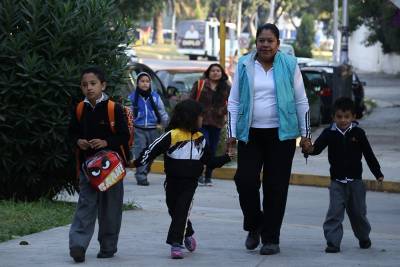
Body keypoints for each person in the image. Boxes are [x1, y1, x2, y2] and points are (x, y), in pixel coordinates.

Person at [226, 23, 311, 255]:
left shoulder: (290, 65)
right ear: (256, 42)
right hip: (250, 134)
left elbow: (301, 101)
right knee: (245, 180)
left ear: (278, 43)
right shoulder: (244, 64)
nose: (265, 45)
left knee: (276, 187)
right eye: (261, 40)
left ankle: (271, 238)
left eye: (270, 41)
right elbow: (233, 101)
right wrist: (231, 133)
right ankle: (254, 226)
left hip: (281, 135)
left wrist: (306, 135)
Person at [133, 99, 232, 259]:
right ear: (190, 117)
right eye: (200, 116)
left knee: (181, 210)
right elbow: (152, 150)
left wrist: (226, 157)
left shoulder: (201, 138)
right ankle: (188, 232)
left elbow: (210, 161)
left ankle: (175, 243)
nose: (202, 120)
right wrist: (136, 163)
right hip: (172, 182)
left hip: (190, 183)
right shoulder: (172, 135)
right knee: (175, 210)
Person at [302, 97, 384, 253]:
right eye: (339, 117)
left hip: (356, 183)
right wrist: (308, 149)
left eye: (347, 117)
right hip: (337, 183)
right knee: (334, 213)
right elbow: (317, 148)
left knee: (358, 213)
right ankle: (333, 242)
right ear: (333, 117)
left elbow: (369, 154)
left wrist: (377, 173)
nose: (343, 120)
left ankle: (363, 236)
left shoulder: (358, 133)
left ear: (353, 116)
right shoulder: (329, 133)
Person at [68, 66, 130, 263]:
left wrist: (105, 143)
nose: (89, 88)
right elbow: (72, 133)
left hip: (111, 168)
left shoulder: (114, 108)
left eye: (93, 84)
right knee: (85, 205)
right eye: (85, 85)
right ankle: (78, 246)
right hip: (89, 168)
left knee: (111, 208)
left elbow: (124, 135)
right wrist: (79, 141)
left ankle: (108, 246)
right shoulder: (80, 108)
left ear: (103, 85)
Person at [190, 63, 231, 186]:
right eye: (213, 70)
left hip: (217, 122)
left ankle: (208, 175)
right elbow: (191, 101)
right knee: (204, 146)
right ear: (208, 72)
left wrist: (222, 111)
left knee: (212, 149)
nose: (215, 73)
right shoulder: (200, 84)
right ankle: (198, 174)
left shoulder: (226, 87)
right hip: (200, 122)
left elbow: (232, 103)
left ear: (222, 73)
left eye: (218, 71)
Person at [128, 72, 169, 186]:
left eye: (147, 81)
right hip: (138, 129)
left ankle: (145, 171)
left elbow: (162, 112)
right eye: (142, 81)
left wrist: (165, 125)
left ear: (150, 83)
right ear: (137, 83)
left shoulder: (155, 97)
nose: (145, 84)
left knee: (152, 153)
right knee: (141, 152)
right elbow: (128, 113)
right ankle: (141, 176)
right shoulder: (132, 97)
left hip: (153, 129)